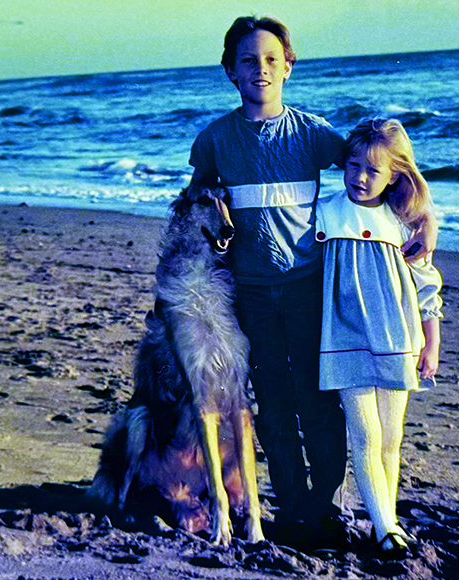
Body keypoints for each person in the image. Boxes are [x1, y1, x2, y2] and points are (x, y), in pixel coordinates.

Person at [189, 16, 438, 543]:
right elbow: (195, 210)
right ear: (231, 71)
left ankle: (325, 505)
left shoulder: (314, 134)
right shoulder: (213, 142)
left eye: (271, 61)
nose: (261, 70)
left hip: (309, 290)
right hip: (249, 293)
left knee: (317, 401)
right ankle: (295, 509)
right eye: (248, 61)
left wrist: (425, 221)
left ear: (288, 67)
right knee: (274, 403)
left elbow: (377, 168)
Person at [314, 118, 443, 557]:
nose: (360, 177)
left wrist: (432, 344)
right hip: (344, 338)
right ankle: (387, 528)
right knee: (365, 435)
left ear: (394, 176)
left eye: (372, 170)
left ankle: (385, 522)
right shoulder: (327, 210)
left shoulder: (404, 222)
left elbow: (426, 287)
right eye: (352, 165)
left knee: (392, 437)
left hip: (398, 339)